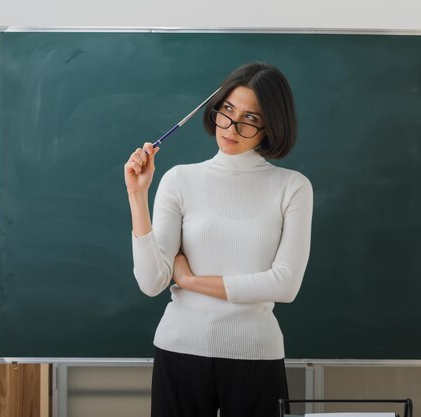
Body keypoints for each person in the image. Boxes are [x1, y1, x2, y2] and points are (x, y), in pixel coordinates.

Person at [123, 62, 313, 417]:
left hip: (256, 355)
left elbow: (285, 285)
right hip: (179, 351)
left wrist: (190, 280)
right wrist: (138, 196)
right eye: (227, 110)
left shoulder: (293, 187)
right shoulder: (179, 179)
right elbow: (151, 283)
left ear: (271, 125)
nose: (231, 127)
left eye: (250, 118)